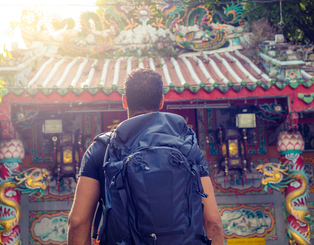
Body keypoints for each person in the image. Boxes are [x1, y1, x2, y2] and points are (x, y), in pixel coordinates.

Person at [67, 68, 224, 245]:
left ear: (125, 101)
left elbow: (78, 223)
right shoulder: (189, 149)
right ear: (162, 101)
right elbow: (213, 222)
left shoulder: (102, 149)